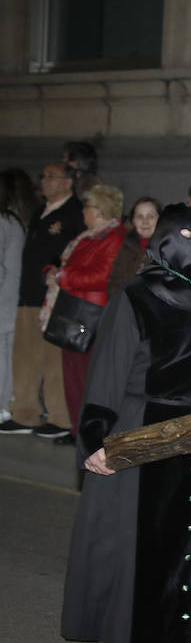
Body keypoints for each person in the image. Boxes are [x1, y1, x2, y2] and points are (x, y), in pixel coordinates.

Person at [60, 204, 191, 643]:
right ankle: (158, 633)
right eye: (182, 235)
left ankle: (184, 629)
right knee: (144, 536)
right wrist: (97, 437)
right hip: (145, 428)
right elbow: (108, 371)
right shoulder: (137, 298)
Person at [0, 163, 84, 438]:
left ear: (68, 182)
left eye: (52, 177)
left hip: (55, 296)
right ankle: (25, 412)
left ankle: (59, 417)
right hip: (28, 294)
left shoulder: (73, 213)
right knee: (25, 356)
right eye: (43, 176)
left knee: (53, 359)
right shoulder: (39, 211)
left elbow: (74, 252)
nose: (45, 182)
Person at [41, 184, 127, 445]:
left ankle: (92, 432)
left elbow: (103, 276)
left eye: (87, 207)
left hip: (91, 315)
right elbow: (65, 263)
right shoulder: (88, 236)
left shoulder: (114, 237)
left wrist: (63, 277)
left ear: (100, 211)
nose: (83, 213)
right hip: (73, 311)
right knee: (73, 374)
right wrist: (52, 270)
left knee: (88, 376)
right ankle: (78, 429)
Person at [0, 169, 37, 422]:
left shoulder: (4, 221)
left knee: (5, 357)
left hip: (5, 301)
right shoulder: (20, 221)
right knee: (10, 357)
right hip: (14, 300)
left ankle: (5, 404)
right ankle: (8, 402)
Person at [106, 197, 162, 297]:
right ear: (133, 221)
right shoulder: (126, 247)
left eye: (151, 216)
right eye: (140, 216)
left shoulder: (168, 249)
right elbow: (113, 282)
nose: (145, 221)